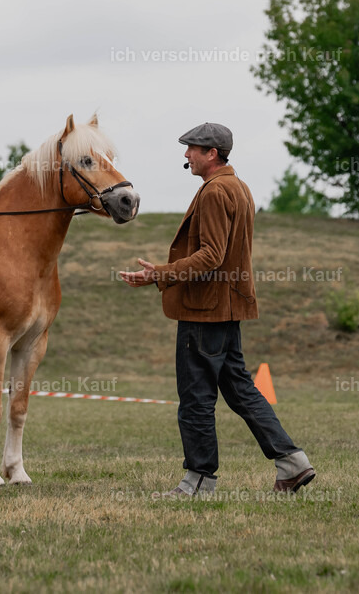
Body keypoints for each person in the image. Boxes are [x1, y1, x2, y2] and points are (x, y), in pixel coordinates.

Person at [119, 122, 315, 496]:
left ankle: (198, 481)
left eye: (192, 148)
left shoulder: (214, 192)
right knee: (241, 390)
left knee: (196, 398)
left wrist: (160, 275)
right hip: (226, 309)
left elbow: (211, 255)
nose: (186, 154)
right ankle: (292, 463)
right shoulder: (238, 188)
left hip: (203, 311)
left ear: (212, 153)